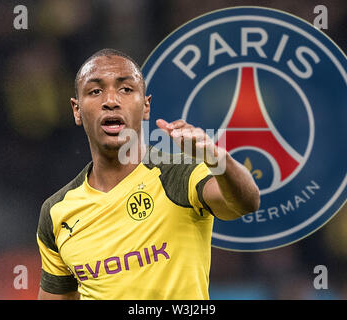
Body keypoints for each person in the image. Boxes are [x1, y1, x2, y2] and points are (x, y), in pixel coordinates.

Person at [36, 48, 260, 300]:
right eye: (95, 91)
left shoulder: (180, 175)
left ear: (145, 106)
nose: (110, 100)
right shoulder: (56, 212)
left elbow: (246, 202)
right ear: (77, 110)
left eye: (126, 89)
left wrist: (216, 157)